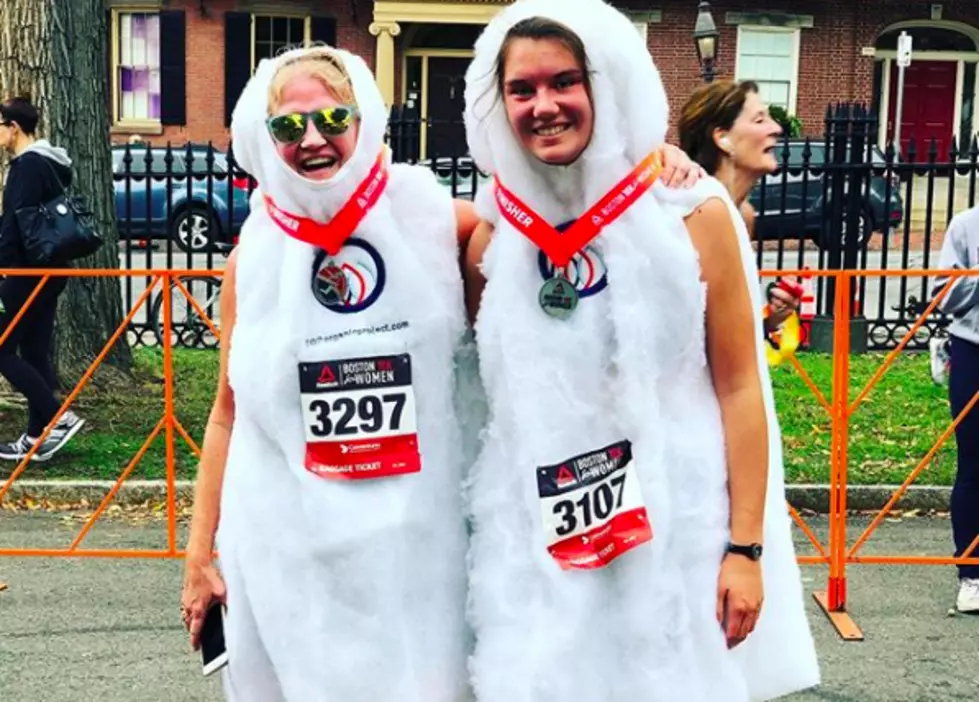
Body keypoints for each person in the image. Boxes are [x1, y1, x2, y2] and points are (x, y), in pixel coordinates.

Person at [460, 1, 819, 700]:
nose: (543, 106)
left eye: (564, 82)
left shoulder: (690, 213)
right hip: (538, 544)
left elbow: (741, 387)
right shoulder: (492, 229)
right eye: (521, 89)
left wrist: (746, 551)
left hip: (675, 534)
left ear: (606, 83)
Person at [179, 46, 474, 700]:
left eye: (333, 118)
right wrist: (199, 554)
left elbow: (550, 237)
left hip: (412, 553)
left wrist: (655, 165)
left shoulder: (427, 213)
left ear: (364, 117)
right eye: (287, 126)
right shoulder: (254, 252)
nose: (312, 139)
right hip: (288, 552)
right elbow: (229, 413)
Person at [678, 79, 802, 336]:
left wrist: (772, 318)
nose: (776, 128)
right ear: (723, 138)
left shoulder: (744, 215)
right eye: (759, 120)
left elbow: (727, 331)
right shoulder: (692, 210)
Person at [0, 96, 84, 462]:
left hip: (27, 272)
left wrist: (4, 268)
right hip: (47, 270)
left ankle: (57, 417)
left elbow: (17, 225)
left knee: (2, 349)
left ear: (12, 128)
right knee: (33, 350)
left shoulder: (29, 166)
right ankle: (36, 436)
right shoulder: (44, 162)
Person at [933, 203, 979, 613]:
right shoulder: (966, 225)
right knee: (974, 464)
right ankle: (972, 574)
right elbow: (944, 296)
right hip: (974, 351)